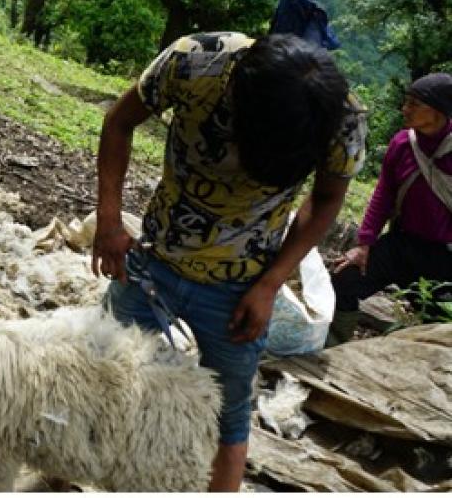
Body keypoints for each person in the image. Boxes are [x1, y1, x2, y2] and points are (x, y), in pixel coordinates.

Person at [93, 32, 365, 491]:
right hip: (154, 259)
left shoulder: (341, 119)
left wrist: (271, 284)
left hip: (241, 287)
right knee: (103, 374)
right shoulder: (194, 64)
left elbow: (325, 199)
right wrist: (108, 220)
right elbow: (119, 122)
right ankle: (73, 474)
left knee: (229, 414)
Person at [328, 73, 452, 345]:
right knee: (344, 279)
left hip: (444, 256)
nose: (404, 109)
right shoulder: (402, 144)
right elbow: (384, 194)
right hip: (401, 244)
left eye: (414, 104)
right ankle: (334, 346)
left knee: (440, 321)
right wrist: (364, 245)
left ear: (439, 110)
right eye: (406, 102)